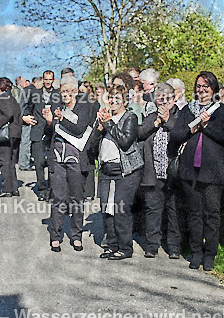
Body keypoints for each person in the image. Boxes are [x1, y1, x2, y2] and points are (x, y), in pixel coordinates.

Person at [171, 71, 224, 271]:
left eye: (206, 87)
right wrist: (191, 129)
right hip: (190, 170)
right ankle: (196, 252)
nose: (202, 90)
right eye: (198, 86)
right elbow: (176, 134)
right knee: (194, 214)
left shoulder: (223, 110)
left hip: (213, 171)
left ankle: (210, 255)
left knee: (212, 214)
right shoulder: (188, 110)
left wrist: (205, 126)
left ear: (213, 89)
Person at [45, 79, 96, 251]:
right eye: (63, 92)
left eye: (69, 91)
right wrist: (49, 122)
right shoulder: (57, 107)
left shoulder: (84, 106)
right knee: (58, 198)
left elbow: (79, 129)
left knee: (76, 199)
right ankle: (55, 236)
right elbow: (49, 133)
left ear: (76, 92)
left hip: (76, 159)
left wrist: (62, 119)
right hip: (58, 159)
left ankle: (76, 236)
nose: (65, 95)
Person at [96, 84, 143, 259]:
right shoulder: (105, 118)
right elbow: (92, 144)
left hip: (125, 170)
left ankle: (125, 248)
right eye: (110, 98)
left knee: (121, 209)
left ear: (125, 101)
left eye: (117, 98)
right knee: (107, 209)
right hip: (106, 169)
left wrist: (108, 123)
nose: (113, 101)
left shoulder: (130, 117)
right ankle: (112, 245)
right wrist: (99, 127)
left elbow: (125, 141)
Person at [137, 82, 182, 258]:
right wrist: (156, 123)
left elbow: (181, 133)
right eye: (160, 100)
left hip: (173, 172)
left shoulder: (180, 115)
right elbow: (140, 133)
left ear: (173, 99)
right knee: (153, 210)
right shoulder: (152, 115)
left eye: (167, 100)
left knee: (173, 210)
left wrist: (168, 120)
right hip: (153, 171)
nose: (163, 103)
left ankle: (174, 247)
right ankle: (152, 245)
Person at [23, 70, 60, 200]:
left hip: (53, 132)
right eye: (46, 79)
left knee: (51, 163)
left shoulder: (58, 94)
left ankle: (51, 190)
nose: (48, 82)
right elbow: (28, 108)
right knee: (38, 163)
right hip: (38, 132)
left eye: (50, 79)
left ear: (53, 80)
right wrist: (26, 117)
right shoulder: (35, 94)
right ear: (42, 80)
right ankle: (42, 189)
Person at [0, 77, 23, 197]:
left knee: (5, 161)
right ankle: (13, 188)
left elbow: (8, 114)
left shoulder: (3, 98)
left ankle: (7, 189)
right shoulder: (12, 99)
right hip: (15, 133)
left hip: (6, 134)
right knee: (11, 161)